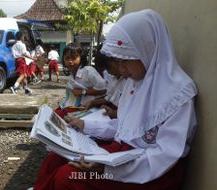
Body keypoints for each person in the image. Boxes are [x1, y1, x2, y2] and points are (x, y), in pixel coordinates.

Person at [32, 9, 197, 190]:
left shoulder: (179, 93)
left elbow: (166, 155)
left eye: (125, 61)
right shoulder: (135, 83)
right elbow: (126, 127)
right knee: (55, 158)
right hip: (121, 156)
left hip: (150, 171)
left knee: (69, 176)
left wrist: (109, 169)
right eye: (118, 62)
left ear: (147, 50)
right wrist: (84, 125)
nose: (122, 70)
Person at [55, 43, 107, 118]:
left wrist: (83, 92)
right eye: (67, 58)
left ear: (81, 58)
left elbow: (104, 89)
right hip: (77, 106)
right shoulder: (71, 75)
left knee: (59, 115)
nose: (70, 61)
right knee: (55, 113)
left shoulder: (88, 71)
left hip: (92, 107)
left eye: (73, 58)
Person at [83, 43, 126, 119]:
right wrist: (93, 102)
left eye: (109, 67)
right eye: (106, 69)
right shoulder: (113, 78)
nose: (108, 72)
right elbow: (109, 98)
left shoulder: (130, 80)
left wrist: (116, 114)